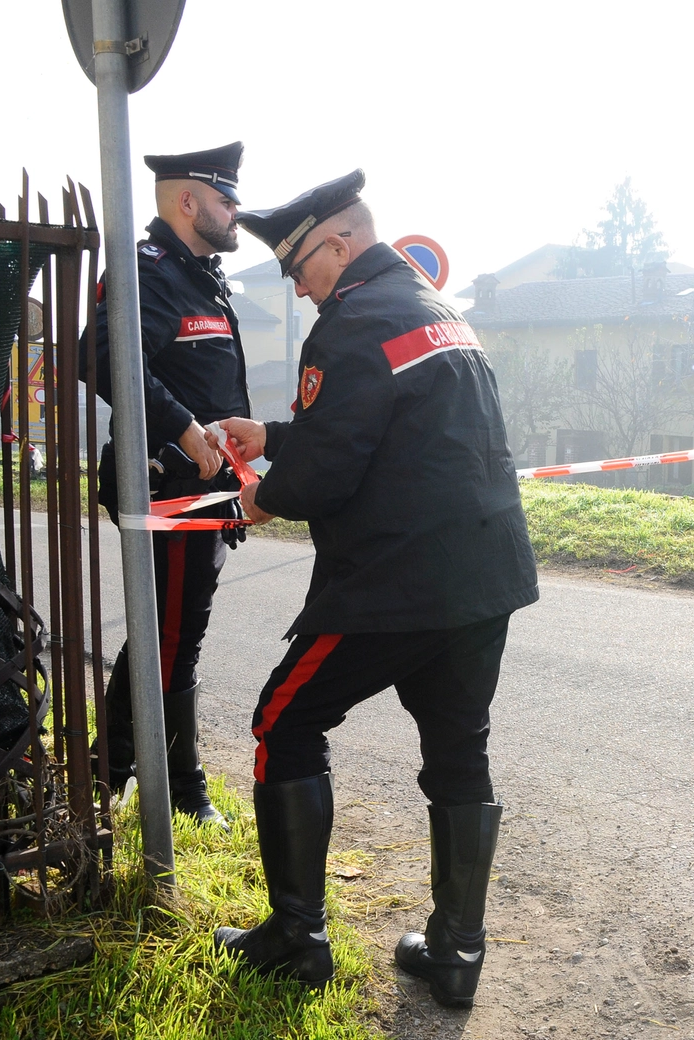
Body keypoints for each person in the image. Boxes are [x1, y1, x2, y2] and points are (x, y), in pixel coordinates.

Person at [210, 171, 538, 1001]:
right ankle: (458, 955)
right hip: (485, 575)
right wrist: (279, 435)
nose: (296, 282)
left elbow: (329, 471)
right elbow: (386, 425)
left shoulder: (352, 321)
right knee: (459, 750)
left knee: (284, 720)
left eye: (298, 264)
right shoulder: (434, 310)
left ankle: (295, 937)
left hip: (400, 580)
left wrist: (264, 490)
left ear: (341, 242)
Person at [80, 142, 252, 828]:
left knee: (168, 635)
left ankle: (115, 770)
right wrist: (183, 427)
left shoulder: (200, 276)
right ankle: (178, 788)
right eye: (225, 199)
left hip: (208, 489)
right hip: (169, 485)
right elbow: (100, 356)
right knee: (172, 636)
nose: (235, 212)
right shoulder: (148, 272)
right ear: (188, 201)